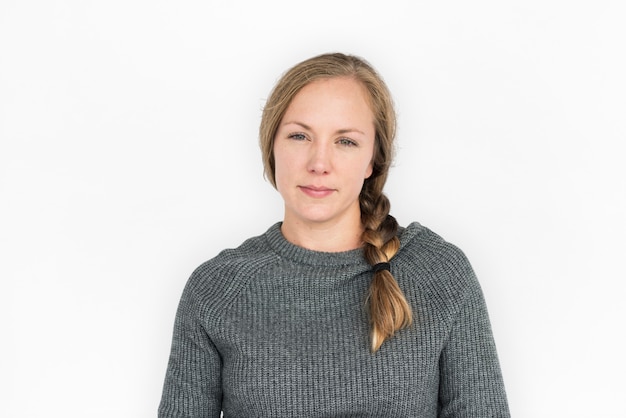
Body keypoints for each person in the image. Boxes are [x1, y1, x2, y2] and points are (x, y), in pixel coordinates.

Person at [158, 52, 510, 417]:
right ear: (272, 146)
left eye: (346, 141)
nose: (319, 163)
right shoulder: (216, 289)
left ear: (373, 159)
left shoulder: (439, 273)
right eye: (299, 136)